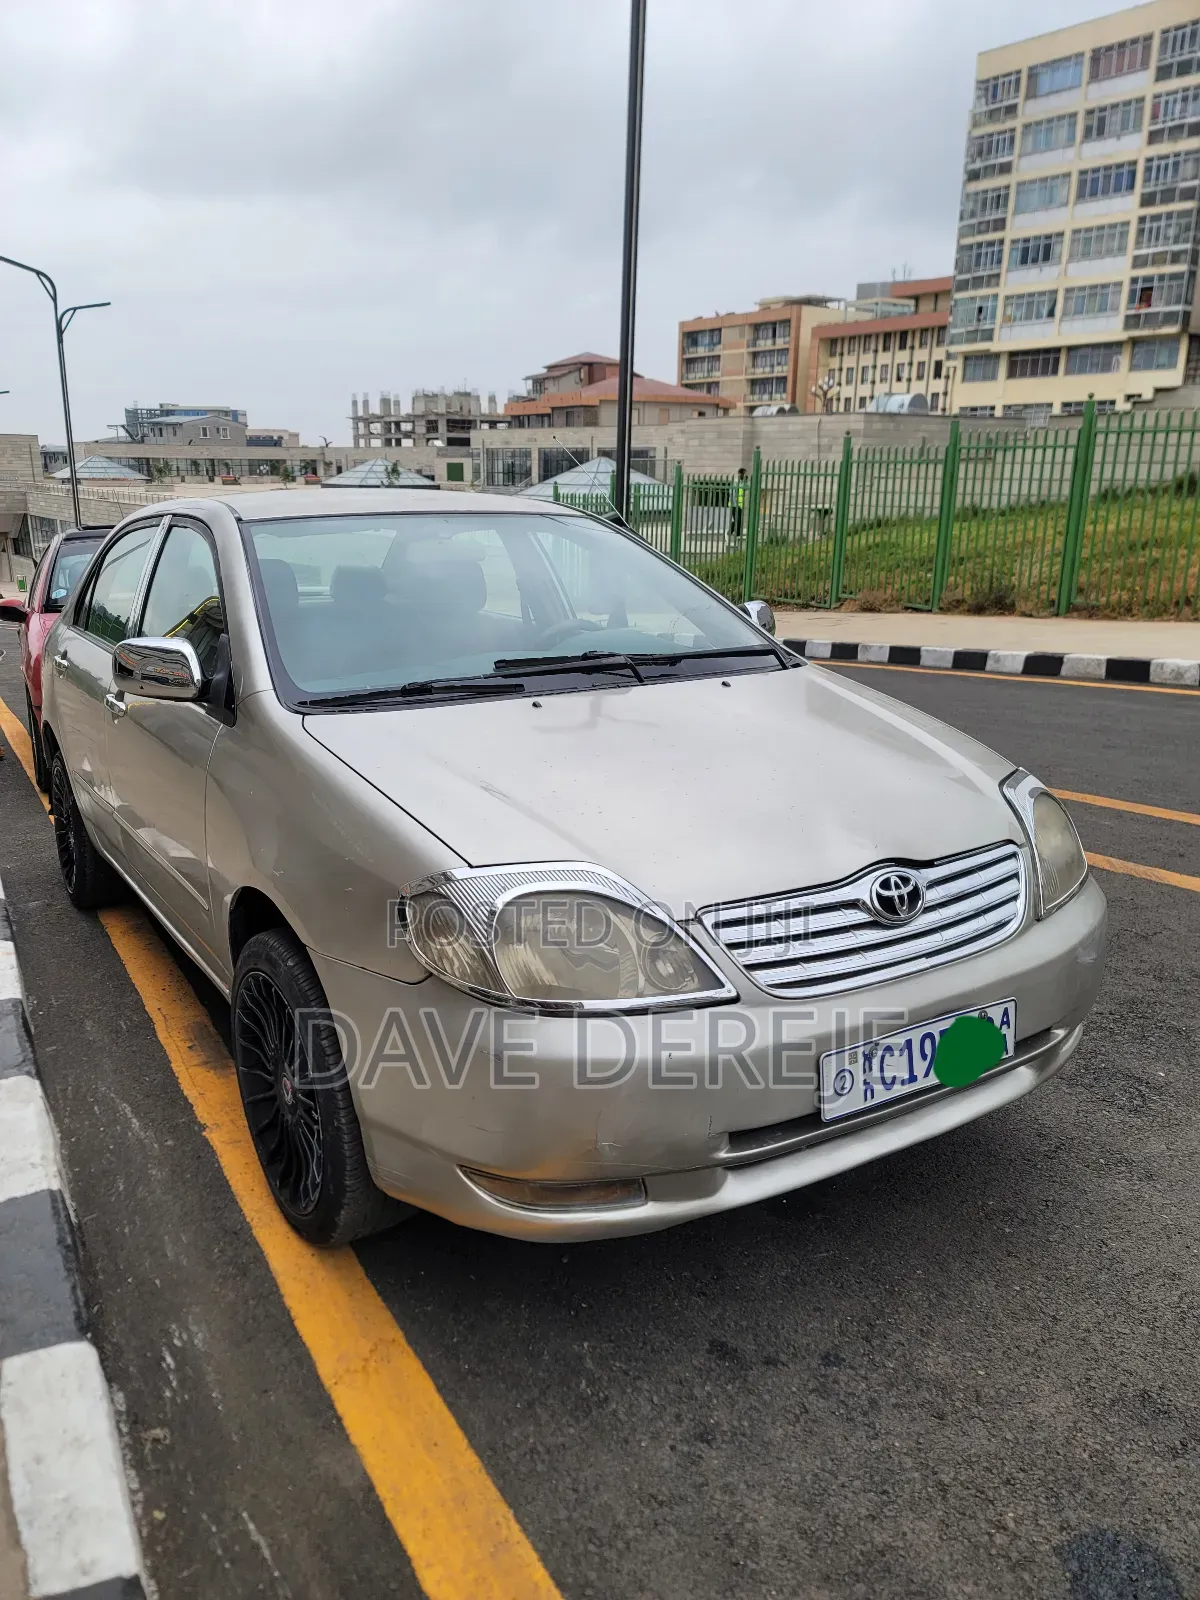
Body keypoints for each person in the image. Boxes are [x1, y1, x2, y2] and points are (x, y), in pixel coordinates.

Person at [729, 467, 748, 541]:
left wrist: (745, 481)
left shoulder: (742, 482)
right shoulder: (736, 482)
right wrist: (735, 503)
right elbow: (732, 493)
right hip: (735, 505)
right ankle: (736, 535)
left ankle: (732, 532)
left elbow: (746, 487)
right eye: (744, 473)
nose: (745, 475)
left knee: (738, 520)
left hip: (740, 505)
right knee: (738, 520)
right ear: (741, 474)